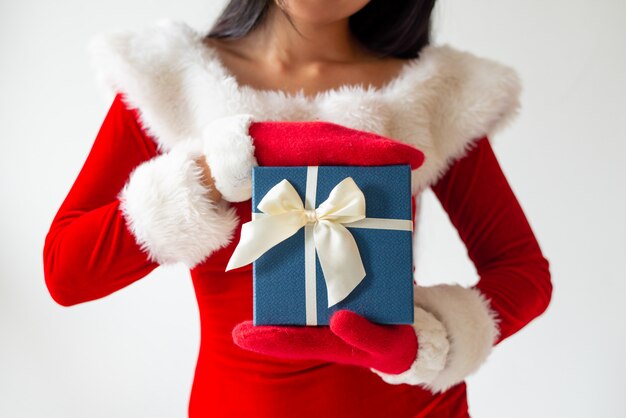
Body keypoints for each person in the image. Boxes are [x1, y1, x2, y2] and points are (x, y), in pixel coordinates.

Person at [43, 0, 553, 417]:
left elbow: (522, 271)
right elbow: (66, 271)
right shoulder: (171, 81)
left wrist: (429, 343)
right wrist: (208, 172)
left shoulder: (435, 94)